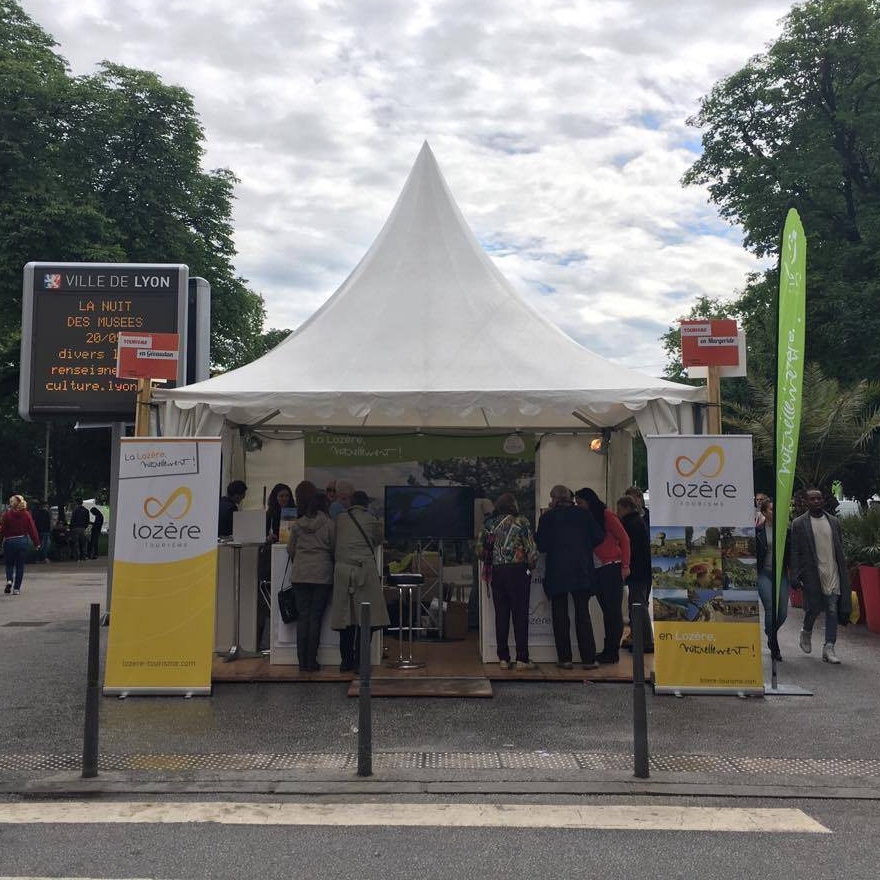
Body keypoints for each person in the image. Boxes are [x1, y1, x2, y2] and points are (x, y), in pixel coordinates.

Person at [535, 484, 604, 669]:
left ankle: (565, 659)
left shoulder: (547, 517)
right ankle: (588, 659)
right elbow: (599, 536)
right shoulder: (583, 514)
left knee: (560, 615)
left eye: (551, 498)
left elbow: (540, 544)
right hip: (581, 570)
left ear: (556, 500)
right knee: (583, 614)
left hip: (557, 571)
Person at [476, 493, 537, 670]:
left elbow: (479, 550)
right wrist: (530, 566)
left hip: (497, 572)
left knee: (501, 615)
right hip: (518, 571)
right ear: (513, 505)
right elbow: (531, 550)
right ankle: (522, 659)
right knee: (520, 615)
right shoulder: (522, 522)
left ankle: (503, 658)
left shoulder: (489, 524)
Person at [330, 490, 390, 673]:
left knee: (345, 619)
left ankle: (345, 661)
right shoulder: (372, 520)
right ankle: (361, 662)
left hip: (342, 572)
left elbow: (333, 542)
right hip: (364, 571)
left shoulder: (339, 519)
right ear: (366, 504)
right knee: (367, 619)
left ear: (351, 502)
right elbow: (379, 540)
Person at [790, 487, 851, 665]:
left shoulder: (833, 521)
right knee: (814, 608)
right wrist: (795, 574)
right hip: (812, 573)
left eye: (819, 499)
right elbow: (795, 551)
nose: (816, 501)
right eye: (812, 499)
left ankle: (829, 647)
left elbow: (838, 547)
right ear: (806, 502)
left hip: (832, 571)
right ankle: (806, 632)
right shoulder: (799, 524)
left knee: (832, 608)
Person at [575, 487, 631, 664]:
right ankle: (609, 649)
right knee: (607, 610)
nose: (578, 506)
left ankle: (612, 650)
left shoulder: (607, 515)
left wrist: (625, 565)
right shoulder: (587, 518)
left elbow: (625, 539)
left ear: (589, 501)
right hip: (597, 568)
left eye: (580, 502)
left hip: (611, 566)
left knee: (613, 611)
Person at [287, 492, 335, 672]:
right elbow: (334, 548)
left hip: (300, 574)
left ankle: (302, 661)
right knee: (315, 617)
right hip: (321, 575)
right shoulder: (329, 524)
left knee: (303, 616)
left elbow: (290, 550)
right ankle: (311, 660)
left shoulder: (297, 525)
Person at [616, 495, 654, 654]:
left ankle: (645, 641)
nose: (618, 512)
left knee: (638, 605)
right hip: (644, 570)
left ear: (625, 508)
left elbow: (629, 548)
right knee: (639, 604)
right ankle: (642, 639)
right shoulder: (639, 522)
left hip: (637, 571)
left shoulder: (629, 524)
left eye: (619, 509)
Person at [755, 497, 789, 661]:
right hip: (764, 574)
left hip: (781, 574)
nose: (775, 512)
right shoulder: (758, 532)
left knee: (782, 612)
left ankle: (770, 633)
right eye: (771, 509)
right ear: (764, 512)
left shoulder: (785, 530)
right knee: (770, 608)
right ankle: (774, 646)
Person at [1, 495, 41, 595]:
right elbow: (32, 529)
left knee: (9, 564)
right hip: (22, 541)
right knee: (20, 566)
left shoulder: (7, 515)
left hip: (9, 542)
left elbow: (2, 530)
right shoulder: (26, 514)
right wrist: (36, 543)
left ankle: (9, 580)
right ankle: (16, 589)